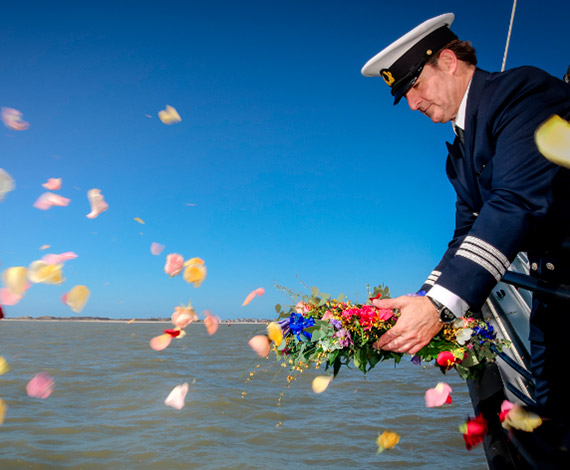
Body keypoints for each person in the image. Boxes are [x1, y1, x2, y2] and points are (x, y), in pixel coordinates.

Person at [361, 12, 570, 468]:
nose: (412, 104)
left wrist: (439, 308)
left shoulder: (521, 95)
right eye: (403, 96)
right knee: (546, 426)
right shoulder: (459, 153)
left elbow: (514, 202)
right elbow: (465, 235)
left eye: (414, 85)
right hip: (552, 301)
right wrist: (423, 298)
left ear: (450, 61)